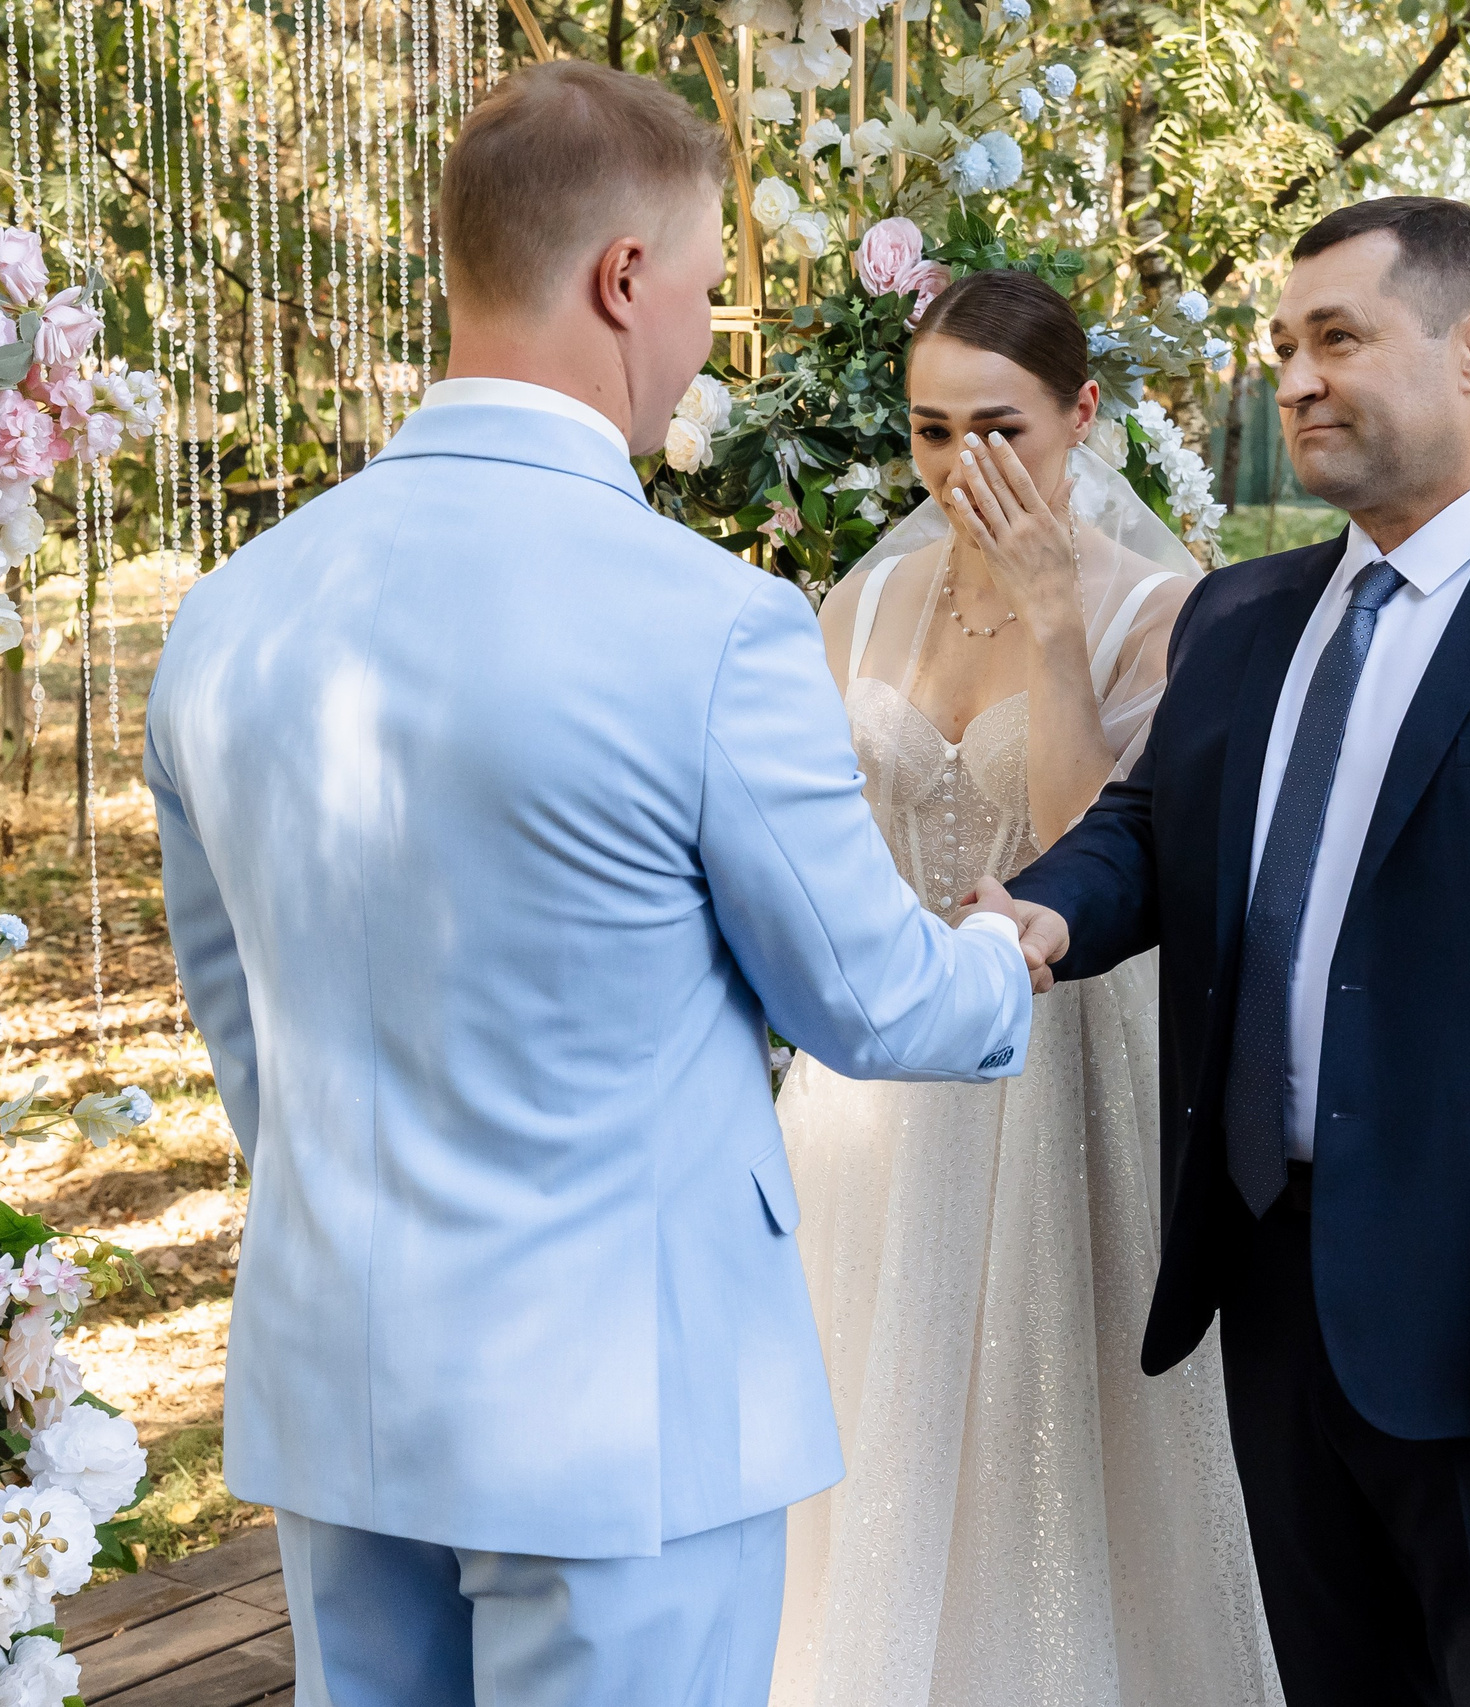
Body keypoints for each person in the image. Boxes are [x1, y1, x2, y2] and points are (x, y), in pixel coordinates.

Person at [146, 61, 1043, 1707]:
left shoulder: (228, 614)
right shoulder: (706, 624)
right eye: (702, 292)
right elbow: (867, 1000)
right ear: (624, 277)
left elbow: (243, 1033)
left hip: (342, 1377)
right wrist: (1003, 960)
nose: (702, 342)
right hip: (624, 1415)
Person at [1006, 197, 1470, 1704]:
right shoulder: (1240, 615)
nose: (1296, 377)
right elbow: (1154, 823)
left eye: (1339, 338)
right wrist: (1047, 910)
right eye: (1284, 345)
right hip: (1270, 1283)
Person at [770, 269, 1278, 1707]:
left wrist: (1055, 621)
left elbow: (1084, 857)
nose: (960, 467)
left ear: (1083, 415)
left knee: (1041, 1425)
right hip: (874, 1085)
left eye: (1000, 428)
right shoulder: (867, 598)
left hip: (1063, 1064)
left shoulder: (1164, 613)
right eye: (932, 430)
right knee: (867, 1412)